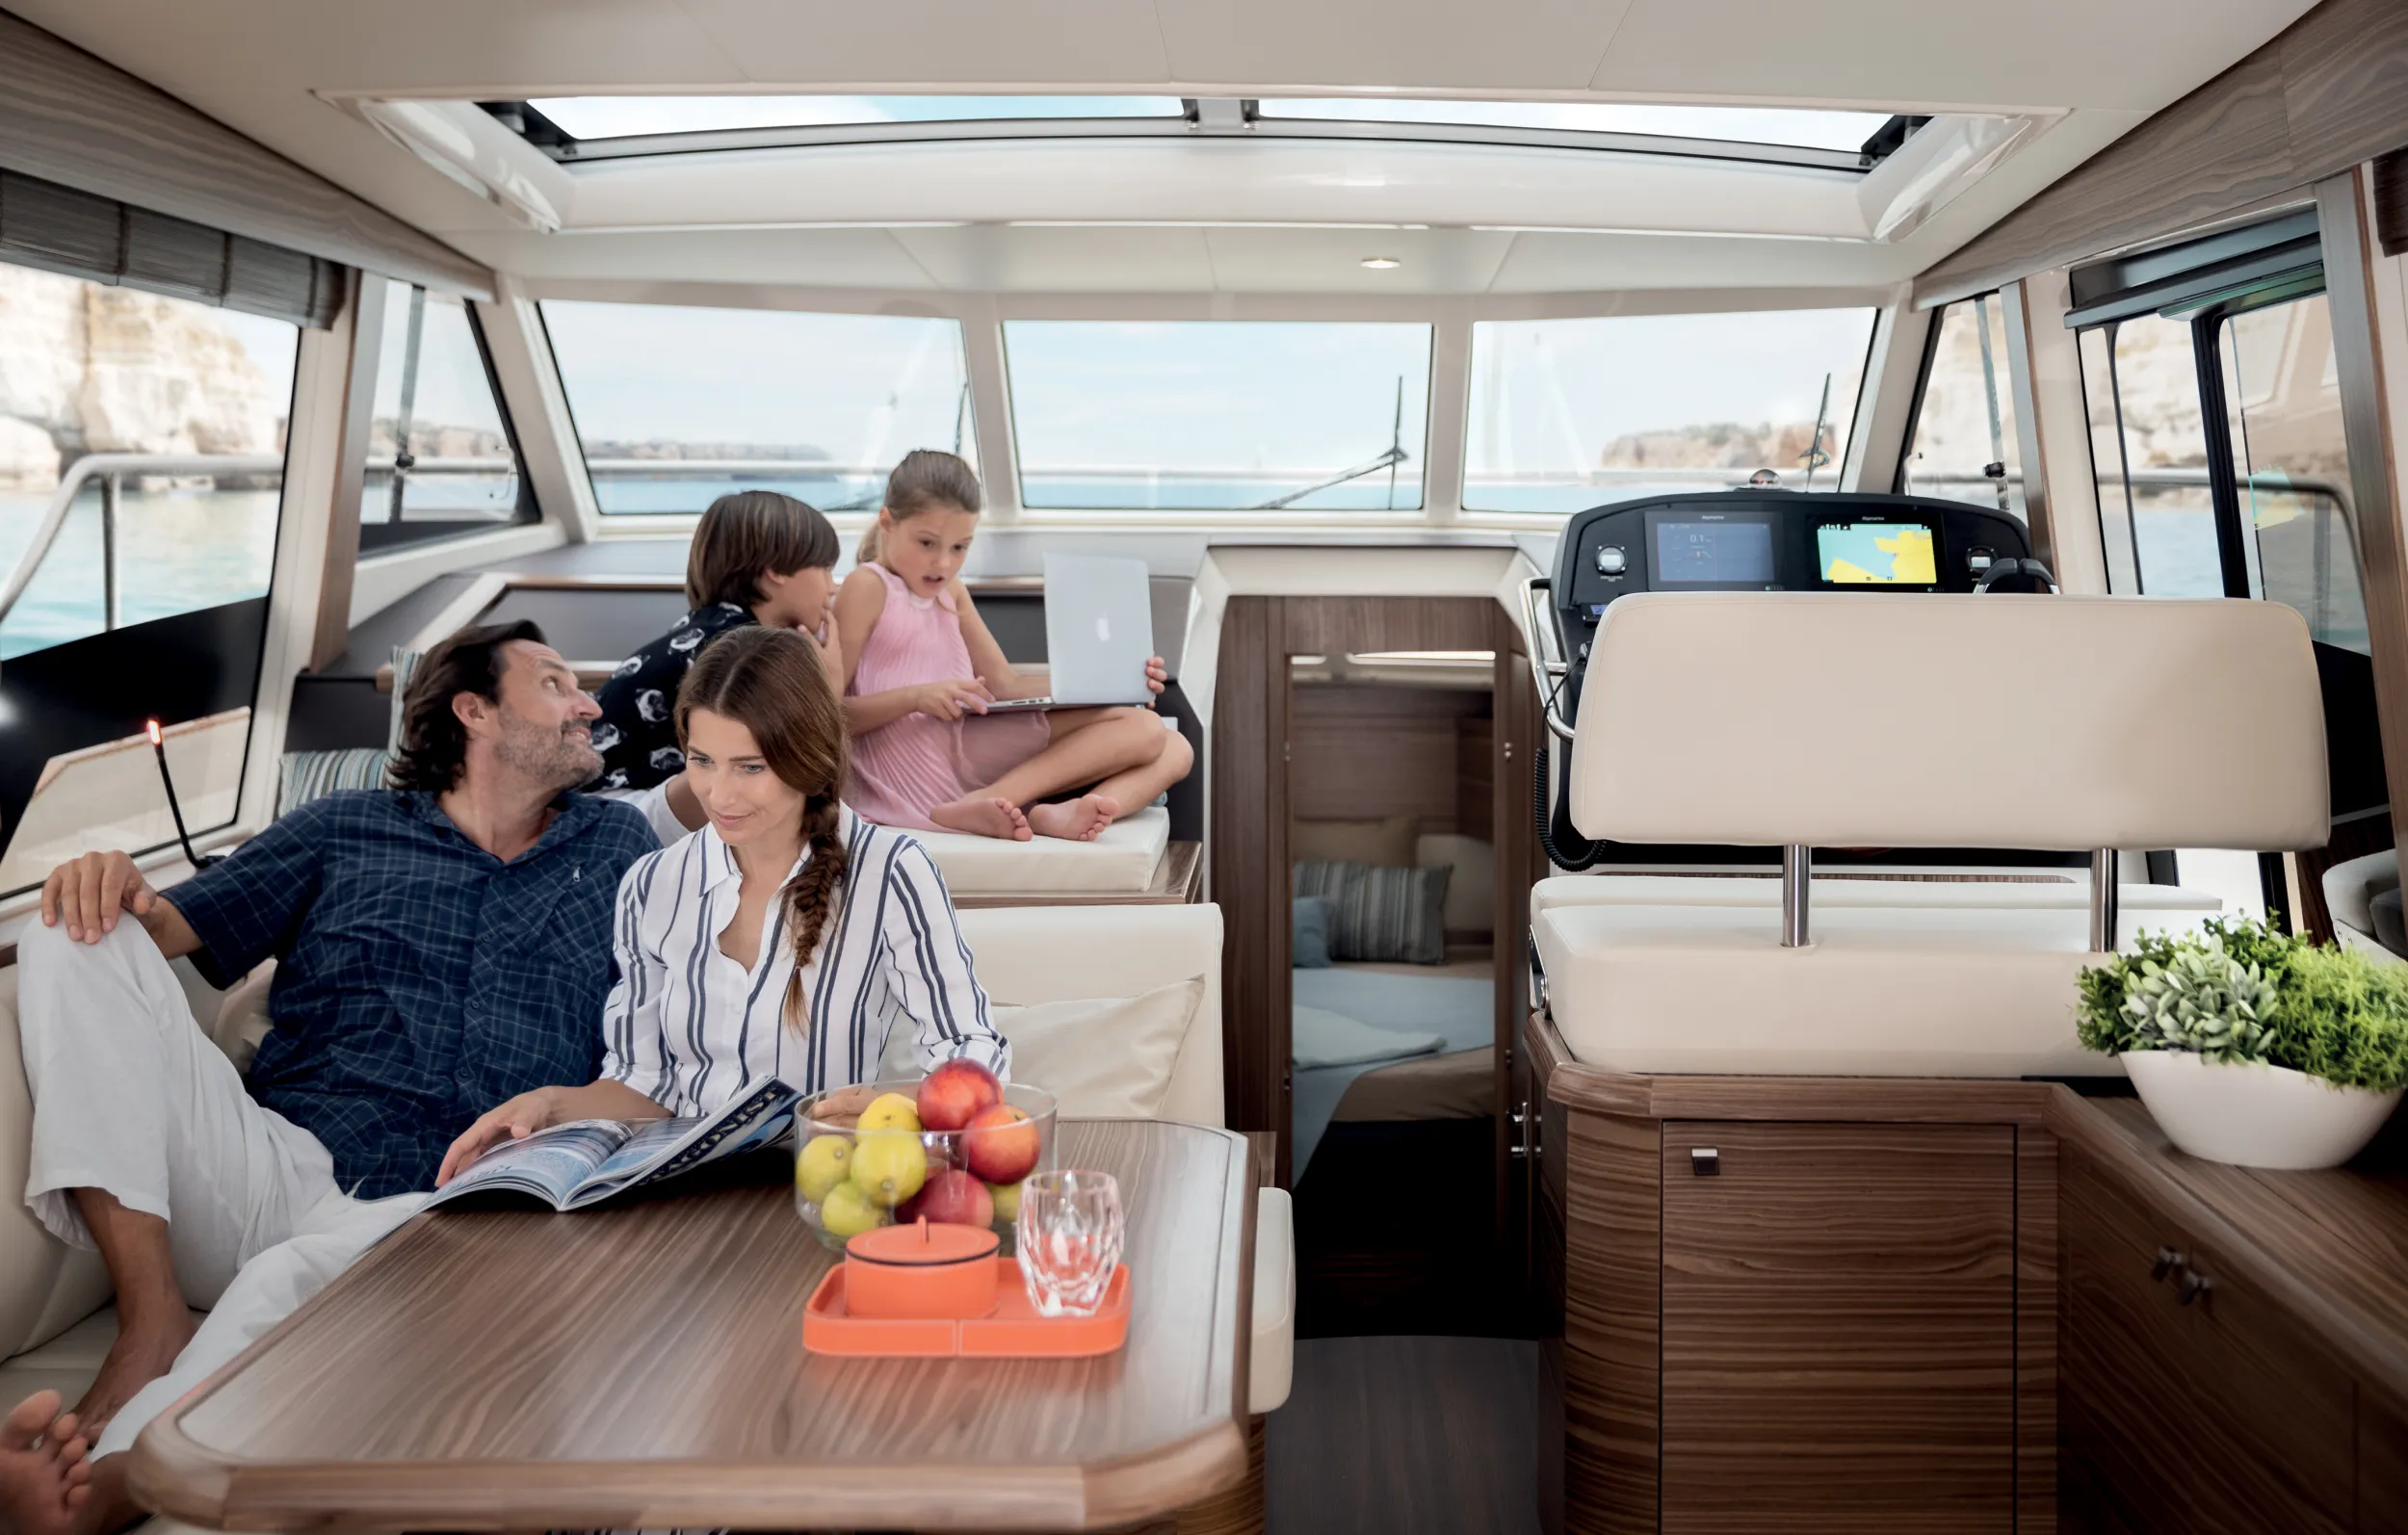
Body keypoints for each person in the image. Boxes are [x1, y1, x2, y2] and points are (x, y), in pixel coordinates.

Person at [0, 621, 657, 1535]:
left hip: (449, 1211)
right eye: (555, 684)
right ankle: (152, 1318)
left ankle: (107, 1489)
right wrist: (105, 878)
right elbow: (160, 928)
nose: (589, 703)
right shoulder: (343, 827)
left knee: (291, 1277)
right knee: (68, 938)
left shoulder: (621, 848)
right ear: (474, 711)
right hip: (276, 1163)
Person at [438, 624, 1008, 1183]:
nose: (719, 794)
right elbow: (645, 1085)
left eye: (750, 767)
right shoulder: (652, 884)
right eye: (702, 760)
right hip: (684, 1197)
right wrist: (549, 1105)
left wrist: (895, 1106)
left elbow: (970, 1048)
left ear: (807, 757)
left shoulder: (890, 870)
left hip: (826, 1187)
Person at [835, 450, 1192, 842]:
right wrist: (916, 697)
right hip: (913, 761)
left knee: (1174, 746)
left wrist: (1117, 682)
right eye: (927, 543)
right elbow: (827, 715)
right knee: (1146, 728)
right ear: (888, 522)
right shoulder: (867, 587)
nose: (943, 564)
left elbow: (1005, 685)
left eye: (960, 547)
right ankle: (998, 799)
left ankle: (1054, 813)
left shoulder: (951, 591)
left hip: (966, 742)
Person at [591, 488, 842, 842]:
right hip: (620, 815)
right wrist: (831, 684)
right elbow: (794, 752)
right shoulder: (737, 652)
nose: (832, 588)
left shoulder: (707, 630)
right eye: (826, 569)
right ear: (776, 571)